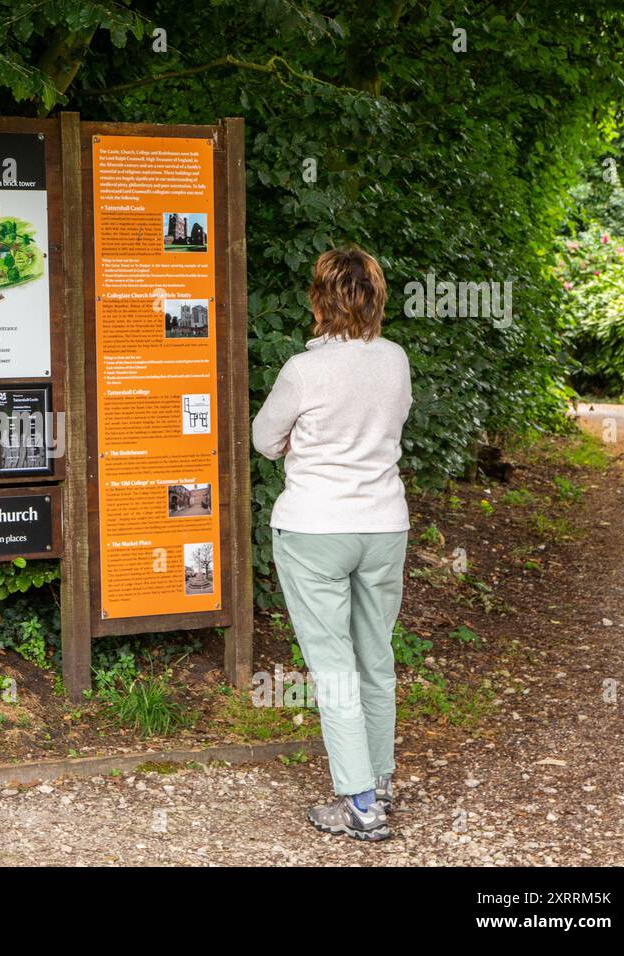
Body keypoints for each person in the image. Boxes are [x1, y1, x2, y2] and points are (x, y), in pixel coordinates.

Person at [251, 246, 413, 842]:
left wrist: (300, 442)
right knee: (375, 656)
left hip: (315, 529)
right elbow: (390, 423)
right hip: (383, 527)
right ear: (377, 297)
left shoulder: (302, 369)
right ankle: (382, 779)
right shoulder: (395, 361)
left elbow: (265, 438)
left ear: (320, 300)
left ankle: (361, 805)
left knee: (335, 667)